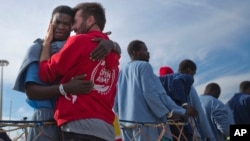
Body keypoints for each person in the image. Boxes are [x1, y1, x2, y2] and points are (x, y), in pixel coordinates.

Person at [13, 5, 120, 141]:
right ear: (50, 24)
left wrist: (113, 45)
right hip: (46, 122)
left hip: (73, 121)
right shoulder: (38, 49)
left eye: (68, 23)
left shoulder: (84, 45)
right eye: (57, 22)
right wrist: (65, 88)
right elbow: (32, 91)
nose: (62, 27)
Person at [113, 40, 195, 141]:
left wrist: (181, 111)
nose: (148, 53)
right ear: (135, 52)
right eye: (145, 50)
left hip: (126, 127)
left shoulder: (121, 73)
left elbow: (115, 104)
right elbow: (151, 95)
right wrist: (169, 114)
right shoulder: (144, 66)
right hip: (147, 126)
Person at [158, 64, 215, 141]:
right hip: (188, 131)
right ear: (189, 70)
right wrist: (210, 136)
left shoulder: (159, 90)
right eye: (193, 73)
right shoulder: (185, 82)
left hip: (167, 134)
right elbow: (200, 113)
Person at [159, 59, 199, 141]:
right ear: (189, 70)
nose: (193, 77)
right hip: (180, 119)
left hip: (168, 120)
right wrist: (185, 104)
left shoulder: (163, 79)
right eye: (193, 74)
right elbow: (177, 81)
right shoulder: (186, 77)